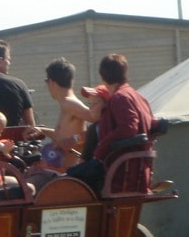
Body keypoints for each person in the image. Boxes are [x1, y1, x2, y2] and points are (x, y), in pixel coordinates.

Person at [67, 54, 158, 193]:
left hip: (120, 173)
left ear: (103, 77)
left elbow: (128, 128)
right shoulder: (139, 97)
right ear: (125, 73)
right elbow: (151, 127)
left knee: (66, 182)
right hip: (138, 172)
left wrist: (101, 149)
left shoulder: (119, 98)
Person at [25, 57, 100, 169]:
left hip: (66, 174)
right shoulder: (66, 104)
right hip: (60, 169)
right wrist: (42, 130)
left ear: (51, 82)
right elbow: (62, 136)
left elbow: (99, 124)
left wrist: (75, 139)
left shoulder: (70, 103)